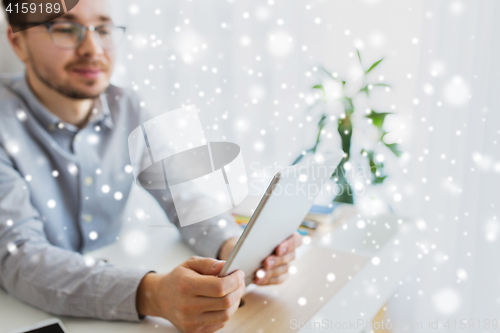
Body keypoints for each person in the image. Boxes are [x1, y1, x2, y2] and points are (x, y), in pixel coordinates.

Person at [0, 0, 302, 332]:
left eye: (103, 29)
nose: (93, 48)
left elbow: (186, 198)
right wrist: (153, 294)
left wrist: (233, 249)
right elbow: (19, 258)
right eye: (65, 28)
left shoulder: (126, 107)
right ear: (18, 43)